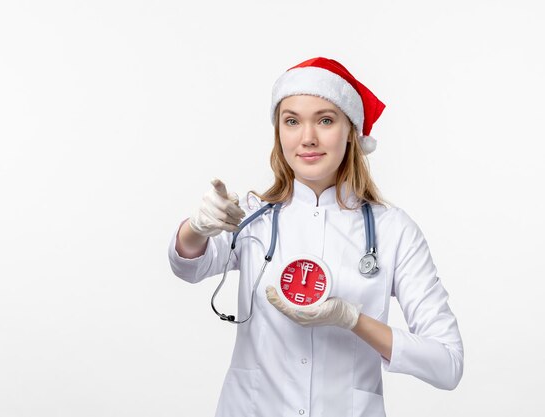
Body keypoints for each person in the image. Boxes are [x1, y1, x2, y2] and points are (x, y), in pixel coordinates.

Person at [168, 57, 464, 417]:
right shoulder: (250, 215)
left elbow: (447, 363)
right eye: (291, 121)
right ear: (279, 132)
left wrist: (352, 320)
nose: (307, 138)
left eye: (325, 120)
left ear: (351, 131)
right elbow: (188, 265)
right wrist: (197, 227)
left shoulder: (393, 230)